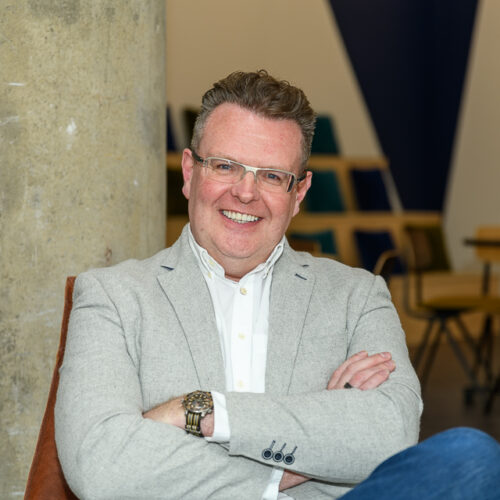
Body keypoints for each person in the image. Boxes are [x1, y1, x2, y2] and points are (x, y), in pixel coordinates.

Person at [55, 70, 500, 500]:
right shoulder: (112, 297)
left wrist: (198, 411)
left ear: (299, 193)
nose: (246, 193)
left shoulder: (356, 296)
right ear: (190, 173)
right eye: (226, 166)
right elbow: (100, 466)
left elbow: (389, 436)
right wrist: (312, 446)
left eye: (271, 175)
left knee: (471, 457)